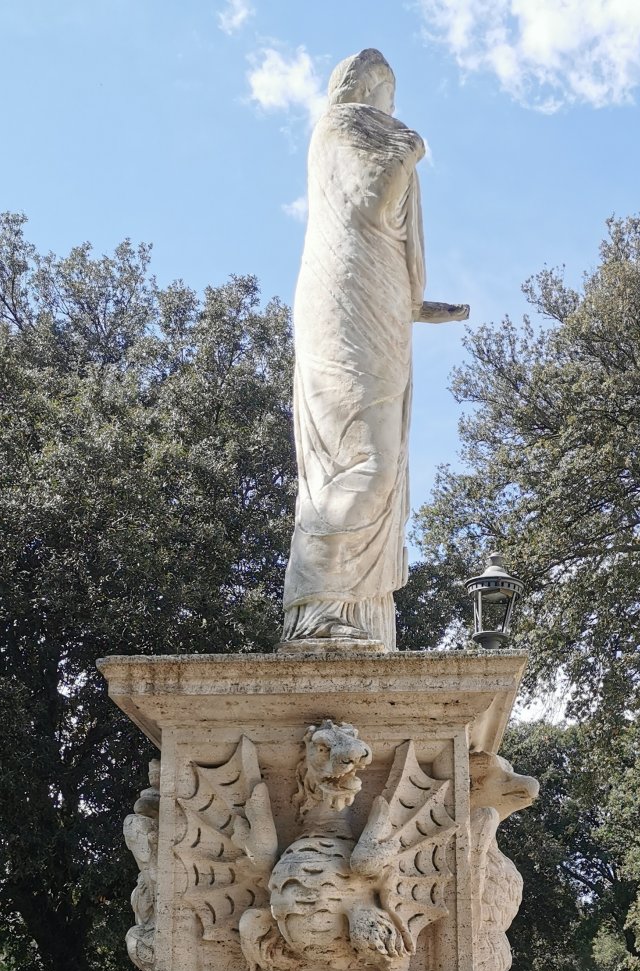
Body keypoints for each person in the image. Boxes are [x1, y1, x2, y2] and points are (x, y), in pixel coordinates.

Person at [283, 48, 468, 647]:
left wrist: (418, 306)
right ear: (369, 87)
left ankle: (352, 611)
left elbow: (373, 228)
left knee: (367, 461)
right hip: (349, 303)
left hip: (374, 301)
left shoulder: (353, 133)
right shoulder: (345, 126)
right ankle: (319, 606)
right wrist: (407, 148)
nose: (393, 106)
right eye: (389, 92)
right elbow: (372, 201)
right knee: (366, 462)